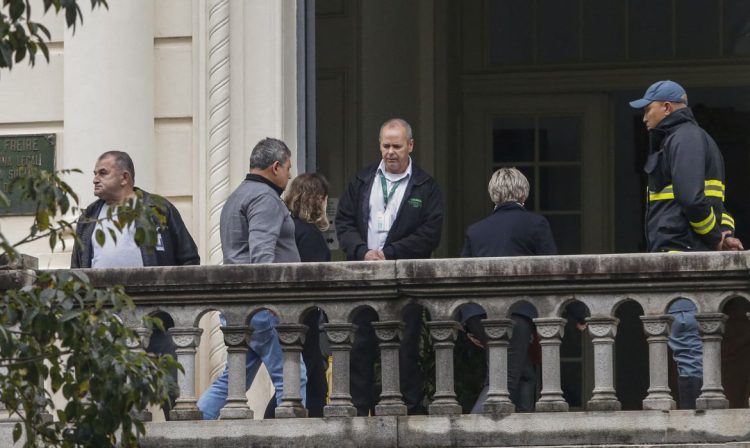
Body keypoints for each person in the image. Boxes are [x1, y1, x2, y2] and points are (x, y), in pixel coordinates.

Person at [629, 80, 744, 409]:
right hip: (688, 251)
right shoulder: (692, 140)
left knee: (687, 345)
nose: (643, 117)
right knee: (690, 343)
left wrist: (714, 238)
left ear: (666, 107)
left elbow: (693, 201)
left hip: (683, 255)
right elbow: (717, 204)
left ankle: (695, 425)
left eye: (647, 109)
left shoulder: (683, 139)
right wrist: (721, 234)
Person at [71, 150, 200, 419]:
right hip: (105, 322)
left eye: (102, 173)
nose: (94, 179)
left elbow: (189, 259)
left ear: (125, 177)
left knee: (174, 394)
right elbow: (78, 270)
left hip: (159, 320)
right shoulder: (88, 218)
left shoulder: (158, 210)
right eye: (95, 173)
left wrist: (177, 308)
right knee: (108, 396)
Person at [336, 118, 443, 415]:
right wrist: (361, 251)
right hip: (364, 276)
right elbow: (343, 221)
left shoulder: (426, 186)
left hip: (404, 280)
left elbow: (430, 234)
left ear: (410, 145)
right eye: (386, 146)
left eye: (397, 146)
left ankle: (405, 407)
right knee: (360, 346)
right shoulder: (361, 181)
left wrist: (391, 252)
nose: (390, 152)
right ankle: (358, 410)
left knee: (405, 347)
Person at [457, 167, 586, 413]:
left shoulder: (476, 230)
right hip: (514, 317)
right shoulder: (535, 224)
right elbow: (554, 272)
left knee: (524, 372)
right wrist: (578, 312)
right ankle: (467, 436)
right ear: (523, 195)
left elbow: (461, 281)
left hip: (479, 317)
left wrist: (467, 322)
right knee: (501, 385)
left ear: (493, 195)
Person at [196, 137, 307, 419]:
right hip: (264, 308)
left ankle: (194, 426)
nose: (290, 175)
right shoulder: (265, 198)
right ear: (275, 166)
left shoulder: (237, 196)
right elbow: (261, 257)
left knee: (232, 382)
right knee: (294, 380)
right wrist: (269, 302)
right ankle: (293, 440)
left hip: (240, 307)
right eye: (288, 168)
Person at [283, 172, 332, 417]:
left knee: (308, 382)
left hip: (291, 318)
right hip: (306, 320)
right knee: (306, 385)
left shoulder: (288, 228)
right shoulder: (310, 234)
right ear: (319, 200)